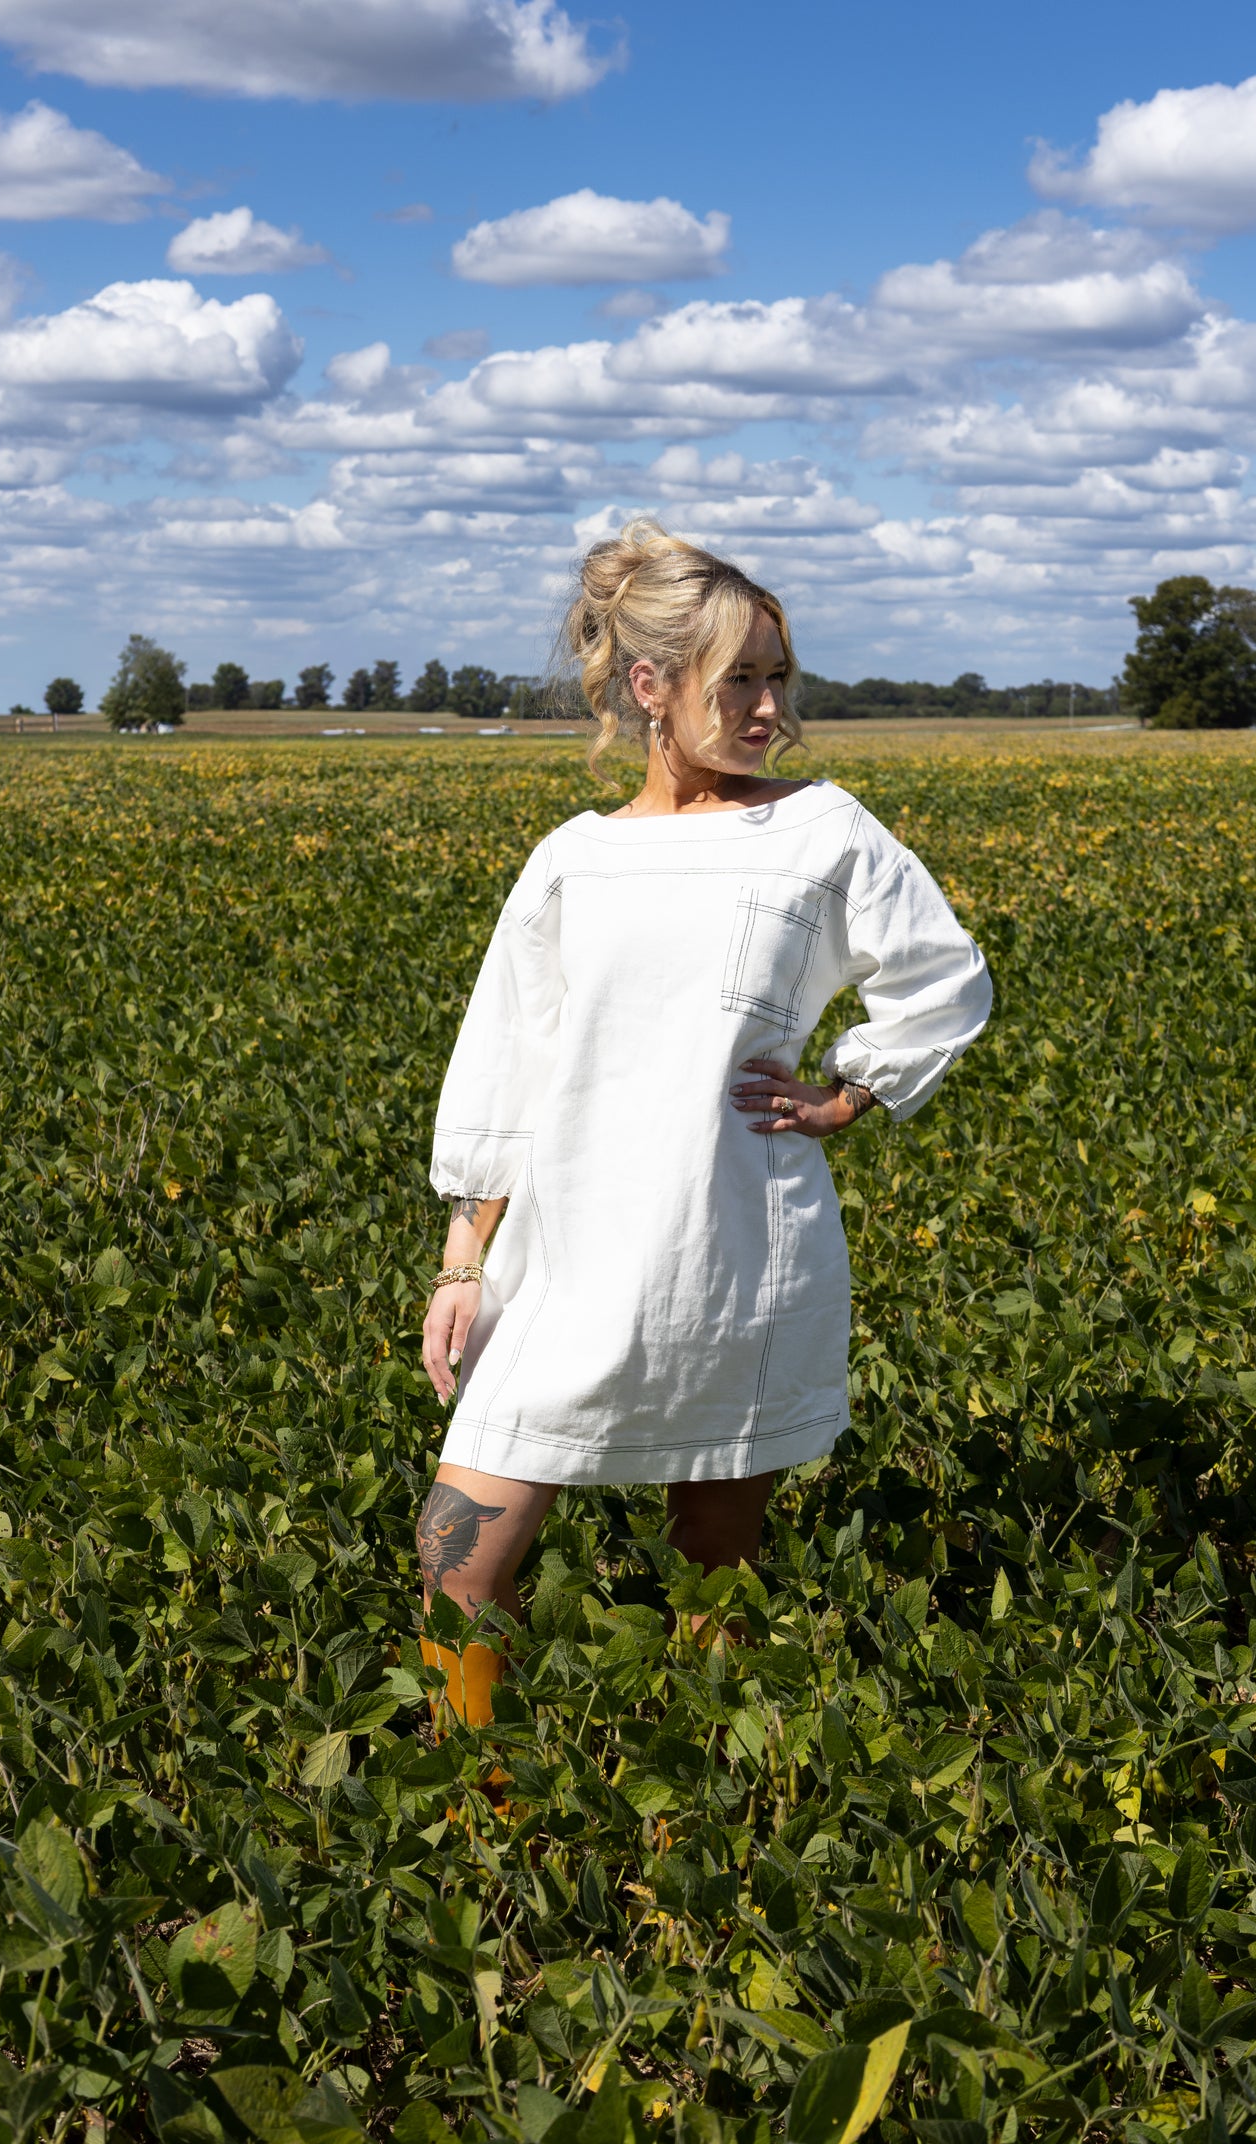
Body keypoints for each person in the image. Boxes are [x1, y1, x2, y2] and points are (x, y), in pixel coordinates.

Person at [417, 520, 992, 1724]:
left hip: (732, 1246)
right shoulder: (571, 860)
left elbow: (939, 976)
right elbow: (507, 1061)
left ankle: (712, 1791)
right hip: (568, 1253)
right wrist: (464, 1257)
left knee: (712, 1557)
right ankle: (478, 1802)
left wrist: (848, 1091)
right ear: (651, 686)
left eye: (779, 677)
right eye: (741, 677)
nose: (769, 705)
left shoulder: (824, 830)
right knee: (455, 1557)